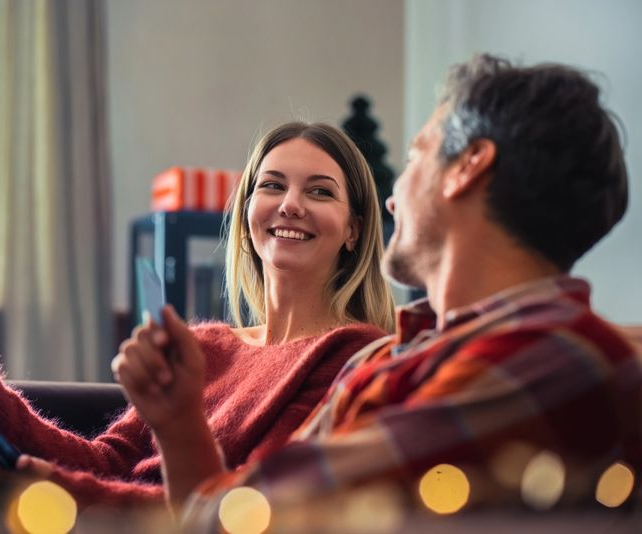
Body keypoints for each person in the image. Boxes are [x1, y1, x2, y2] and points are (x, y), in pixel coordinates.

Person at [113, 54, 642, 531]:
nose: (390, 202)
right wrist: (179, 420)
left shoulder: (549, 358)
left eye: (415, 159)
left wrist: (180, 429)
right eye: (271, 185)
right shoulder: (397, 352)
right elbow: (228, 511)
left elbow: (243, 519)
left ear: (467, 167)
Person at [0, 121, 395, 513]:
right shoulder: (204, 345)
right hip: (92, 515)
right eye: (272, 186)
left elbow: (243, 513)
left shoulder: (350, 355)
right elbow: (110, 462)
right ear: (248, 213)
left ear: (353, 230)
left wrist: (55, 491)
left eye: (320, 192)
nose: (290, 205)